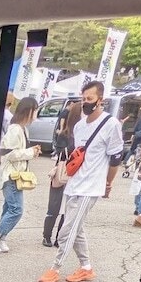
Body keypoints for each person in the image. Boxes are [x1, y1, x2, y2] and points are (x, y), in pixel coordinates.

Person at [38, 80, 122, 282]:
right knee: (77, 228)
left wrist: (108, 183)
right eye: (83, 99)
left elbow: (115, 158)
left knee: (67, 231)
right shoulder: (80, 126)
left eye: (90, 98)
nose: (86, 102)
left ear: (100, 100)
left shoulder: (111, 124)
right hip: (74, 183)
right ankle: (86, 267)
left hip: (90, 187)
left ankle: (55, 268)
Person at [0, 96, 39, 253]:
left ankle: (1, 237)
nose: (36, 114)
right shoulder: (15, 129)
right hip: (11, 175)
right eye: (35, 111)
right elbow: (8, 153)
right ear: (28, 111)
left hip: (16, 175)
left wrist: (31, 151)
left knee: (9, 207)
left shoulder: (22, 129)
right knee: (16, 209)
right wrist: (30, 152)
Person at [42, 101, 81, 247]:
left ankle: (60, 237)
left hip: (74, 175)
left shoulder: (83, 135)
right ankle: (47, 236)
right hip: (62, 172)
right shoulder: (65, 134)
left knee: (67, 209)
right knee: (54, 206)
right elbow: (60, 153)